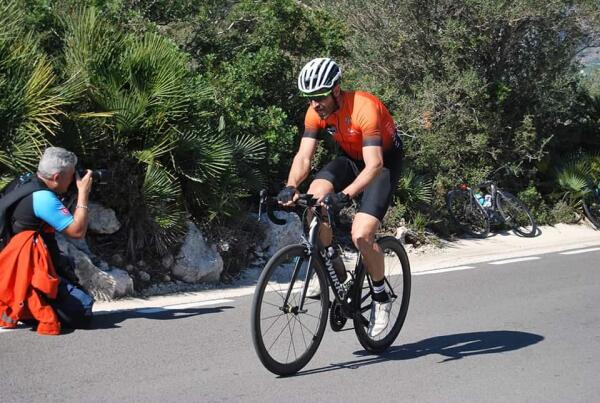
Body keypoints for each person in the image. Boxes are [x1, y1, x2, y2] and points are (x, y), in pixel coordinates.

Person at [278, 58, 403, 337]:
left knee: (361, 235)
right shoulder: (315, 112)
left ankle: (381, 297)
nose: (314, 104)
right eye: (309, 99)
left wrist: (345, 195)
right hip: (350, 159)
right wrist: (290, 185)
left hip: (382, 163)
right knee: (313, 199)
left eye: (319, 97)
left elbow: (373, 165)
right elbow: (304, 156)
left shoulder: (364, 108)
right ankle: (335, 269)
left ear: (336, 90)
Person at [0, 147, 94, 332]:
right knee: (82, 310)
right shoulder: (43, 198)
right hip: (28, 271)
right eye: (71, 176)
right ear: (57, 177)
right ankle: (30, 306)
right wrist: (83, 193)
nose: (74, 180)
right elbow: (77, 232)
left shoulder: (23, 181)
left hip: (11, 263)